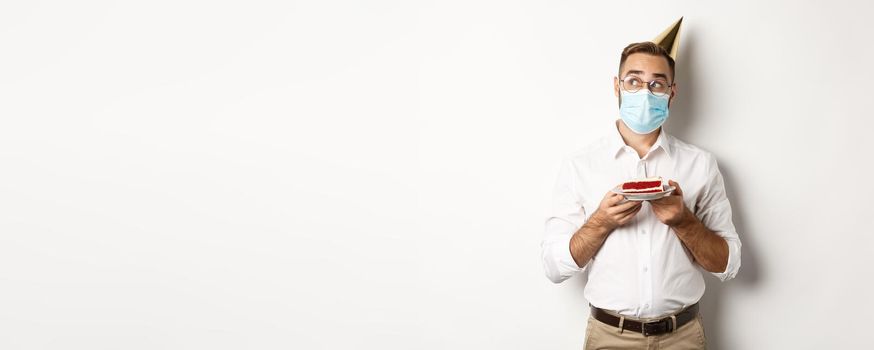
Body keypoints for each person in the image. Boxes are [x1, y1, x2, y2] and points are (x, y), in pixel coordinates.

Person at [541, 18, 741, 350]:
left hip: (683, 337)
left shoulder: (700, 165)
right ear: (617, 86)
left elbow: (728, 264)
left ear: (671, 93)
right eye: (633, 81)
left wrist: (683, 220)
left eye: (657, 84)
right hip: (609, 337)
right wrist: (601, 221)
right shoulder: (580, 165)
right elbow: (553, 267)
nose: (644, 93)